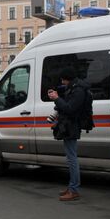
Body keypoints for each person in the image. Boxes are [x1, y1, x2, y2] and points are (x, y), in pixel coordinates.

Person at [47, 66, 89, 202]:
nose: (62, 82)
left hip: (72, 126)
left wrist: (57, 98)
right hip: (69, 126)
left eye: (62, 79)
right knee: (71, 158)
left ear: (67, 78)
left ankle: (74, 190)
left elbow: (70, 109)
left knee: (72, 159)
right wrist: (58, 98)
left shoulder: (78, 90)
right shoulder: (74, 87)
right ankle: (71, 187)